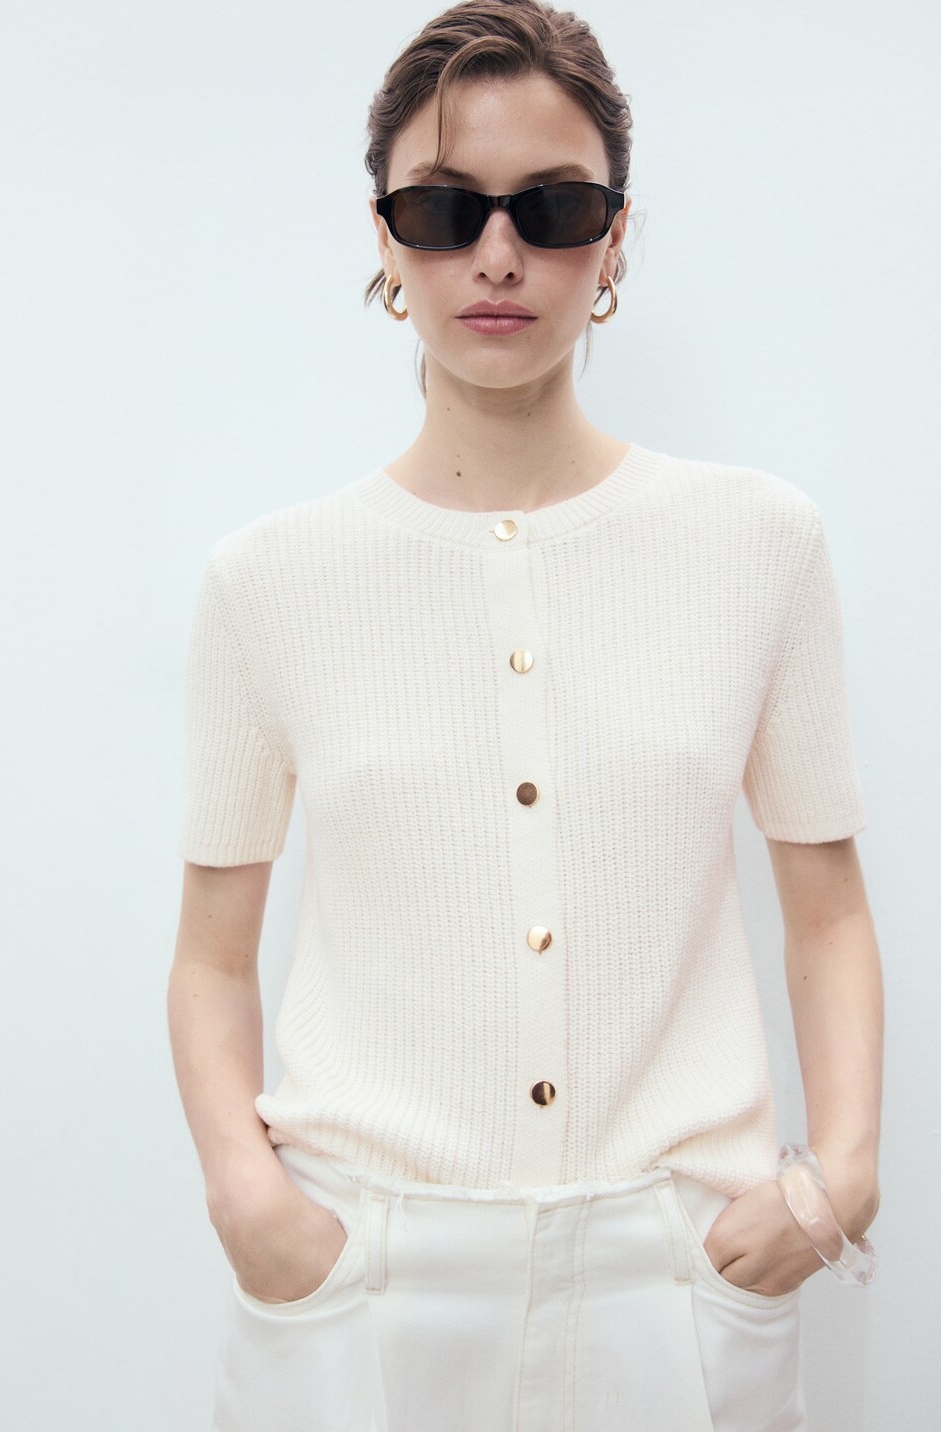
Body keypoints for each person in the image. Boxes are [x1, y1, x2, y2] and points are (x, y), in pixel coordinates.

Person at [168, 3, 883, 1429]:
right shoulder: (269, 582)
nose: (497, 256)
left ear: (614, 240)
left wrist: (844, 1174)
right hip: (364, 1280)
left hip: (676, 1271)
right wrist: (249, 1196)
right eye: (445, 211)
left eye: (551, 209)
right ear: (386, 241)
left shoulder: (758, 543)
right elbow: (211, 955)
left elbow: (826, 910)